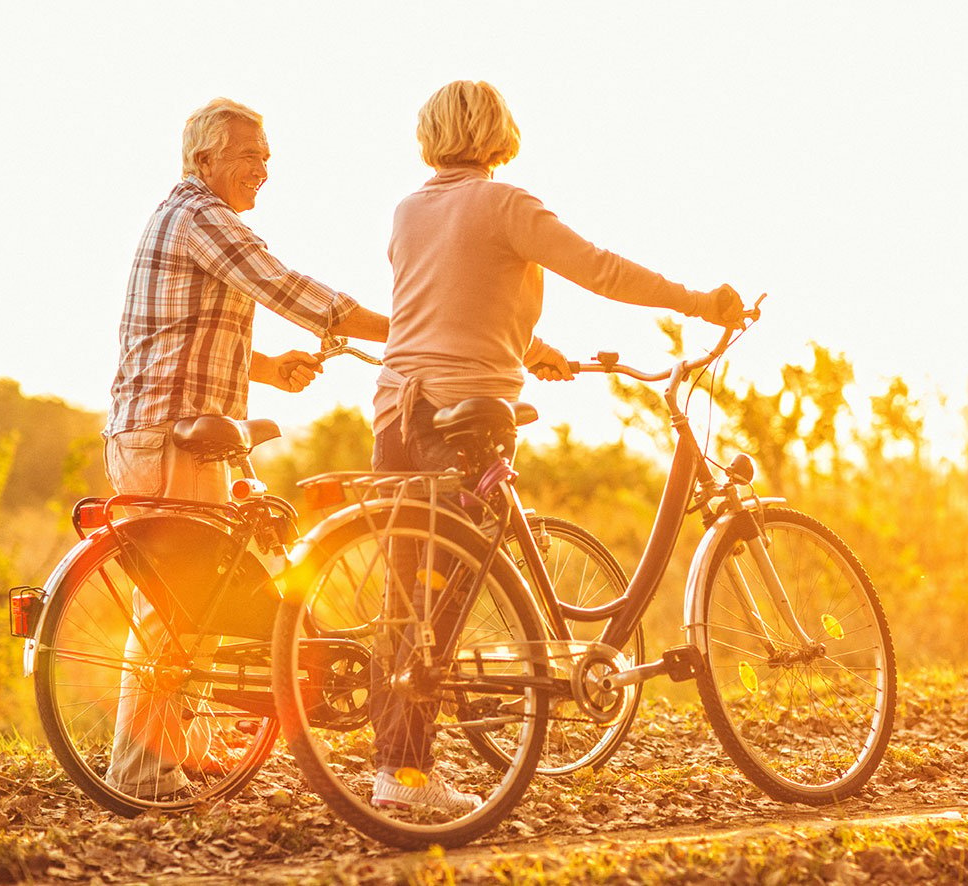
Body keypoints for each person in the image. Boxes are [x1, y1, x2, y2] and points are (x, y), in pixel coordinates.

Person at [367, 80, 745, 814]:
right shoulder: (506, 204)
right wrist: (698, 302)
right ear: (496, 131)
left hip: (396, 414)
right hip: (463, 416)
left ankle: (398, 765)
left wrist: (529, 346)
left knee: (406, 600)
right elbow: (599, 268)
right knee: (437, 605)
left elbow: (445, 302)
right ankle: (404, 774)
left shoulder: (409, 210)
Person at [102, 97, 389, 799]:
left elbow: (183, 329)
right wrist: (406, 330)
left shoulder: (182, 217)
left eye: (267, 156)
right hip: (172, 437)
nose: (264, 168)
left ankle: (176, 754)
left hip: (159, 432)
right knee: (178, 609)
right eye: (249, 154)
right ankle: (143, 769)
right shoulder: (203, 218)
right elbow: (285, 286)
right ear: (205, 159)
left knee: (187, 604)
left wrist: (265, 367)